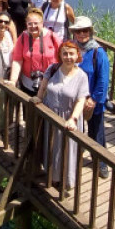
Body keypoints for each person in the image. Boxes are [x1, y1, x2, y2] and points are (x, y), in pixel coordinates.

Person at [35, 41, 89, 192]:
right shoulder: (52, 69)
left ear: (77, 55)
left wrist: (73, 119)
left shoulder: (82, 76)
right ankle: (52, 175)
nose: (68, 57)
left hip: (68, 119)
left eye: (71, 53)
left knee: (67, 150)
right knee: (50, 147)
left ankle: (66, 180)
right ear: (60, 55)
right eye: (65, 53)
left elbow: (81, 100)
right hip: (50, 115)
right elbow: (44, 86)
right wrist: (38, 99)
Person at [70, 16, 111, 179]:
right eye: (78, 31)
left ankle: (101, 163)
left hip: (92, 101)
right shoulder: (72, 47)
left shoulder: (98, 52)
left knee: (96, 133)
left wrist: (94, 99)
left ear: (90, 32)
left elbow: (103, 80)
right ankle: (74, 157)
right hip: (74, 99)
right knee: (76, 129)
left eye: (85, 30)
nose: (81, 34)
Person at [8, 8, 60, 96]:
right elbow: (17, 60)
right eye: (30, 24)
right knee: (27, 108)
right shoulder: (23, 37)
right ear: (26, 24)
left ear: (42, 23)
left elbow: (62, 57)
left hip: (50, 83)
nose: (33, 26)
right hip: (28, 83)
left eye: (36, 23)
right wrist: (13, 80)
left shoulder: (52, 36)